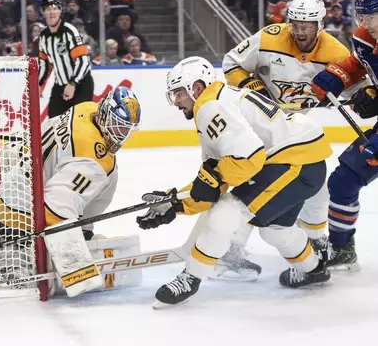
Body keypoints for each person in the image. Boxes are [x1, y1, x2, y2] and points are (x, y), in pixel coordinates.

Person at [138, 56, 333, 306]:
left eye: (178, 94)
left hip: (294, 163)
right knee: (275, 230)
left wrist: (212, 179)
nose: (175, 102)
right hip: (305, 161)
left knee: (226, 213)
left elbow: (246, 159)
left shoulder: (210, 107)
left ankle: (189, 278)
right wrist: (176, 203)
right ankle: (314, 270)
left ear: (195, 88)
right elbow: (214, 179)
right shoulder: (219, 100)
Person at [219, 0, 350, 279]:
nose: (300, 31)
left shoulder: (337, 52)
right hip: (260, 123)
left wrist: (347, 93)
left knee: (316, 183)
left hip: (296, 128)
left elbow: (355, 86)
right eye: (295, 24)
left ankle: (315, 241)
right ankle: (230, 250)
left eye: (307, 25)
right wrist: (252, 85)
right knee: (253, 183)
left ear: (320, 23)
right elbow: (231, 62)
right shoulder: (270, 37)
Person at [0, 86, 141, 297]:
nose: (121, 135)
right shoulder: (93, 160)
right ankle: (20, 258)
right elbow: (55, 209)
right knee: (107, 173)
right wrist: (76, 269)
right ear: (105, 114)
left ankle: (82, 231)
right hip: (23, 212)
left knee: (107, 172)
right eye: (117, 126)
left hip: (13, 189)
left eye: (126, 129)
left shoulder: (86, 109)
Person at [308, 0, 378, 271]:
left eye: (370, 16)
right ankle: (342, 248)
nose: (363, 23)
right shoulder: (365, 35)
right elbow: (358, 63)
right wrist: (338, 75)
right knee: (343, 181)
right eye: (361, 15)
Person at [38, 0, 94, 118]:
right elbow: (45, 64)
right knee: (54, 122)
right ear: (43, 13)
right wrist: (39, 84)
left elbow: (83, 61)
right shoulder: (43, 36)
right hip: (60, 85)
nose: (51, 12)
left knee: (80, 123)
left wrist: (72, 83)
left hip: (81, 84)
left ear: (60, 10)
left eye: (54, 8)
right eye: (47, 9)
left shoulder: (70, 31)